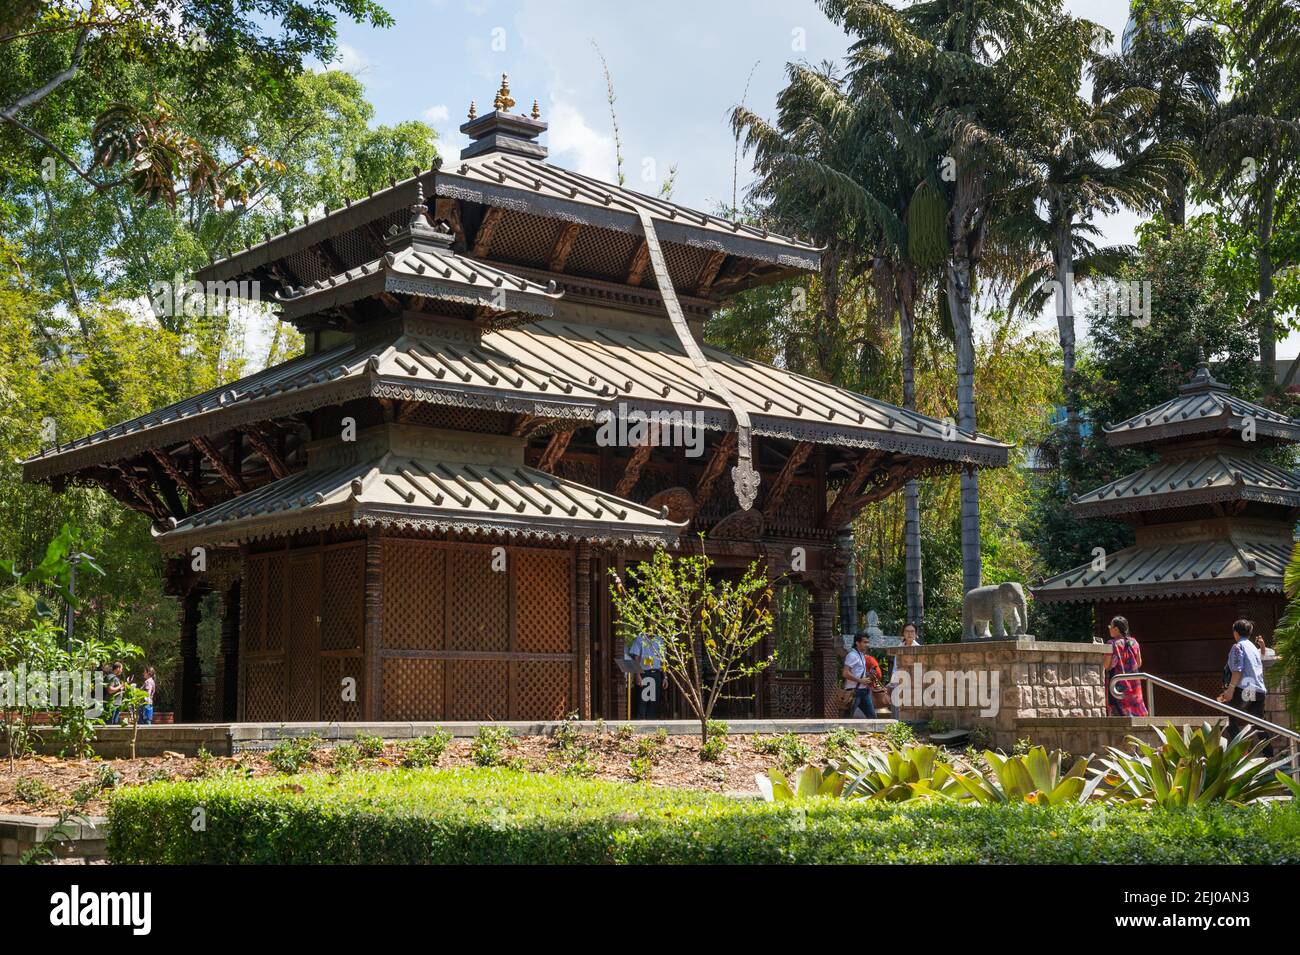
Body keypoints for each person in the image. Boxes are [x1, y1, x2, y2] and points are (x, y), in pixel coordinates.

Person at [1218, 619, 1270, 753]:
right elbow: (1261, 656)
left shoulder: (1238, 647)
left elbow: (1237, 669)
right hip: (1259, 690)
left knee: (1228, 717)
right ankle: (1269, 755)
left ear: (1236, 632)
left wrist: (1230, 690)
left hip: (1248, 689)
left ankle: (1242, 751)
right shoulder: (1252, 647)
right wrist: (1262, 646)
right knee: (1258, 723)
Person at [1105, 616, 1148, 717]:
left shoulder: (1111, 644)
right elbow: (1139, 663)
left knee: (1119, 712)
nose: (1109, 629)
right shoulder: (1134, 642)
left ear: (1116, 629)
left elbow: (1106, 666)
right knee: (1135, 709)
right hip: (1134, 683)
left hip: (1117, 683)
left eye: (1110, 626)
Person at [886, 622, 922, 718]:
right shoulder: (899, 648)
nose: (909, 634)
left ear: (916, 634)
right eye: (907, 631)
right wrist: (893, 682)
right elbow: (895, 667)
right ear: (903, 633)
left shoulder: (920, 649)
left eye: (912, 631)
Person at [842, 632, 882, 718]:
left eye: (868, 642)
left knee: (872, 717)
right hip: (854, 691)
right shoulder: (852, 655)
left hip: (864, 691)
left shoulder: (861, 655)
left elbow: (857, 672)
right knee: (847, 717)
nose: (867, 644)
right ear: (857, 643)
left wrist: (868, 674)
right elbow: (845, 673)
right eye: (864, 642)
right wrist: (860, 680)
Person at [628, 632, 665, 720]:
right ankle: (641, 723)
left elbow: (663, 660)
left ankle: (652, 723)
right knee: (643, 700)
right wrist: (637, 675)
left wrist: (665, 677)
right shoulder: (639, 639)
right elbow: (636, 659)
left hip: (656, 673)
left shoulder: (659, 640)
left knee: (654, 701)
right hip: (644, 673)